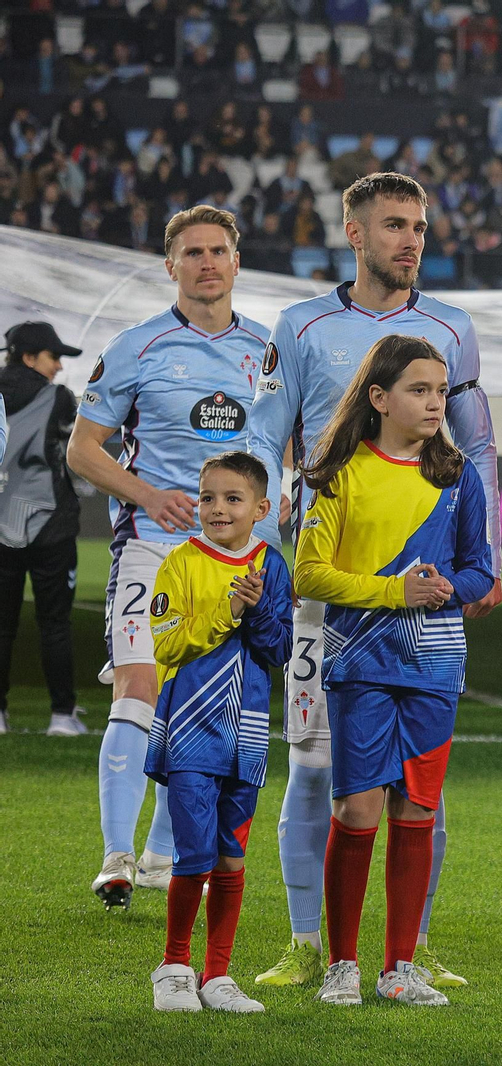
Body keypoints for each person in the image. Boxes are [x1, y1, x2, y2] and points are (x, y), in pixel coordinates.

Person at [248, 172, 500, 990]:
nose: (411, 240)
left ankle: (408, 948)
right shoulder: (301, 325)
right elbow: (263, 442)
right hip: (333, 596)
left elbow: (475, 447)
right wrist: (257, 551)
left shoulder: (452, 327)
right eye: (395, 225)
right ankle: (307, 942)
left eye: (420, 226)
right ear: (355, 235)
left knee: (416, 789)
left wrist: (481, 547)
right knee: (317, 767)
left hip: (423, 599)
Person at [67, 206, 270, 910]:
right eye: (193, 252)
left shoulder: (271, 353)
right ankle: (117, 857)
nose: (207, 262)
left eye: (219, 250)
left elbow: (291, 447)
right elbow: (83, 448)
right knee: (138, 685)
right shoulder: (137, 347)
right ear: (171, 265)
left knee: (202, 709)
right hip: (153, 546)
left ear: (237, 263)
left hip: (241, 558)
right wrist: (149, 495)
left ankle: (160, 855)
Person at [293, 335, 494, 1008]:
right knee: (358, 807)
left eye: (440, 390)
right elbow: (309, 573)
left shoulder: (457, 473)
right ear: (378, 398)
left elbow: (480, 570)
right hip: (362, 662)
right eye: (419, 389)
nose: (435, 401)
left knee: (418, 808)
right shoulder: (338, 471)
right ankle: (343, 965)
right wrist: (393, 592)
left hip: (436, 665)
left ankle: (398, 968)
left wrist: (448, 587)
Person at [146, 452, 291, 1014]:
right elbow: (167, 643)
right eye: (208, 497)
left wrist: (255, 613)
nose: (217, 508)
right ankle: (175, 965)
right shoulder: (179, 563)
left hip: (247, 732)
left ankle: (218, 975)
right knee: (194, 851)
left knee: (231, 856)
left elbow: (278, 648)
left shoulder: (271, 566)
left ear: (260, 508)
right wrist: (229, 609)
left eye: (233, 499)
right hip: (189, 729)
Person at [0, 321, 84, 737]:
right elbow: (78, 452)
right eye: (54, 358)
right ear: (30, 357)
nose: (58, 367)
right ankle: (61, 716)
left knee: (1, 624)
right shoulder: (57, 398)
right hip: (49, 525)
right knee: (54, 624)